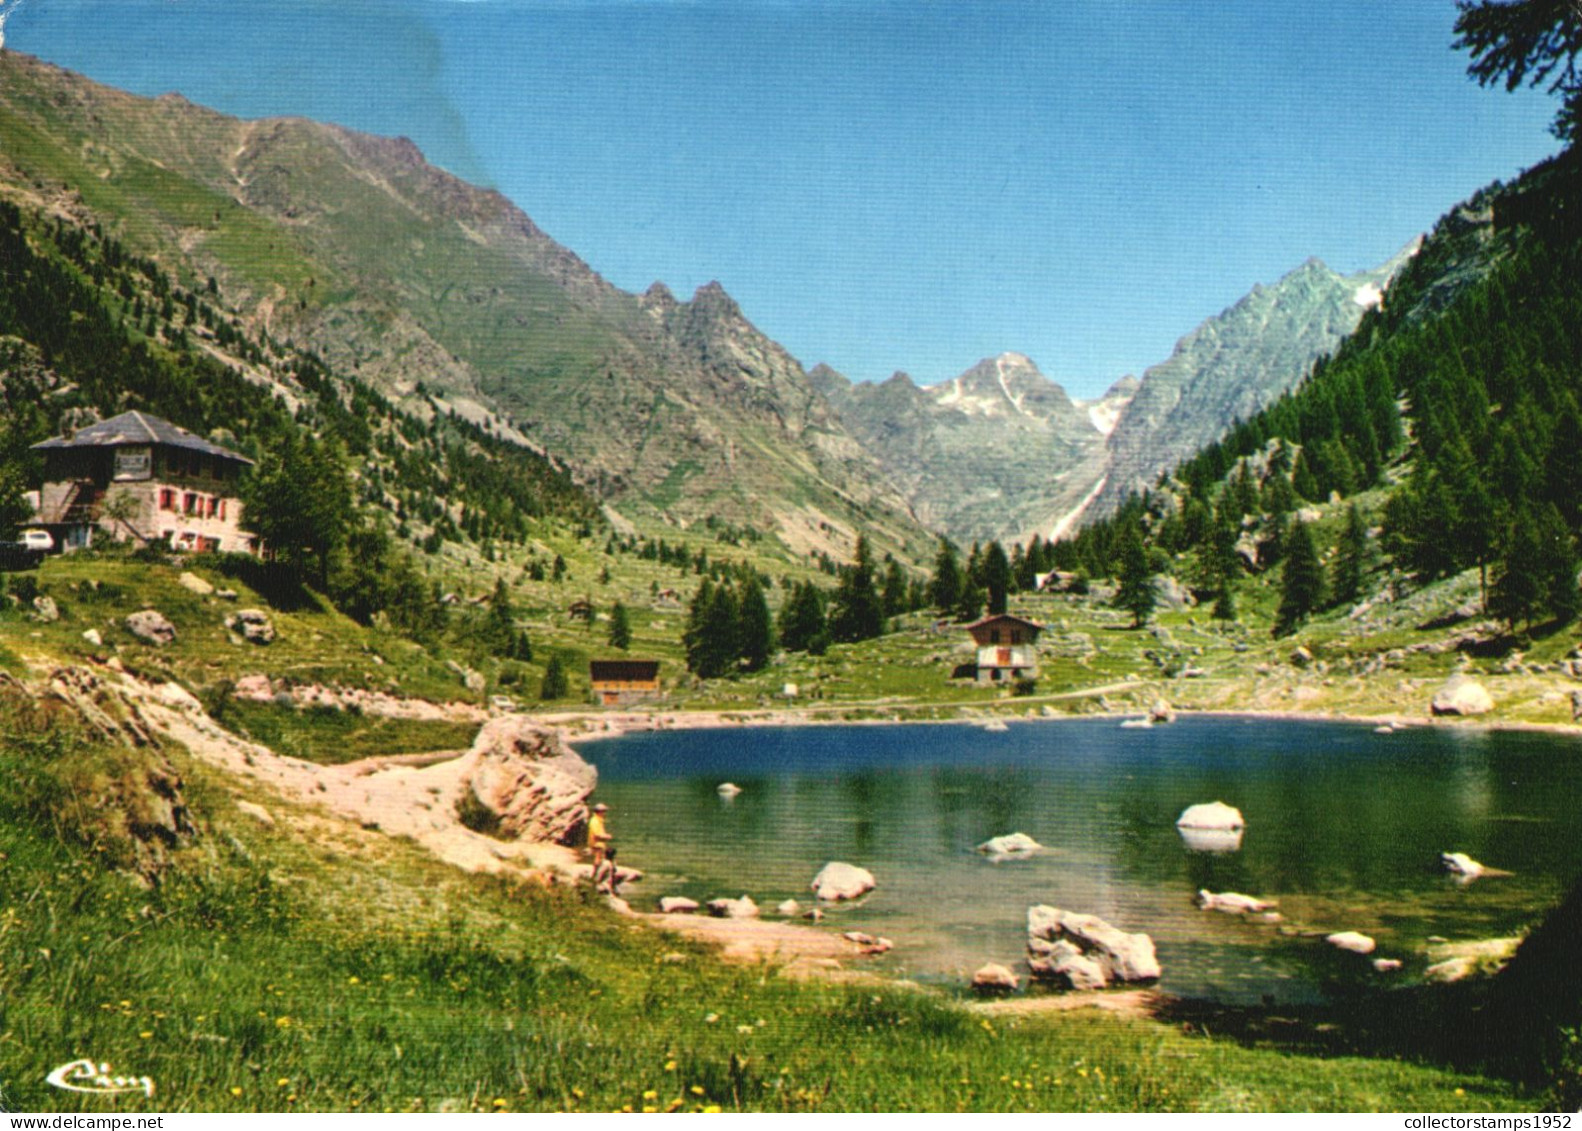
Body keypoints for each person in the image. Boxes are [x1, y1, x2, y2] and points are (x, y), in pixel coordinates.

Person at [587, 802, 614, 893]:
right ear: (599, 812)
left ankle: (594, 880)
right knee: (597, 862)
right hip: (597, 844)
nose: (605, 813)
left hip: (599, 844)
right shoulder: (595, 821)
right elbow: (597, 834)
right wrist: (606, 836)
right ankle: (594, 881)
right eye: (603, 811)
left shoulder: (598, 820)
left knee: (599, 861)